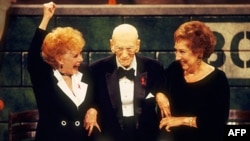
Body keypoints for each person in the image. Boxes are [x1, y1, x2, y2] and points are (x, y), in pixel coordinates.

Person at [27, 2, 100, 141]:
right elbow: (33, 57)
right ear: (60, 58)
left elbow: (96, 98)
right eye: (75, 56)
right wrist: (46, 18)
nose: (81, 59)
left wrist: (93, 110)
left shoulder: (85, 72)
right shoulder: (44, 77)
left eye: (80, 53)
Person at [156, 20, 230, 141]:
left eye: (182, 52)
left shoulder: (218, 79)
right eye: (176, 50)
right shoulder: (175, 69)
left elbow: (217, 123)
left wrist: (180, 120)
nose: (177, 56)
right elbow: (158, 85)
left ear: (199, 52)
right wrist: (160, 95)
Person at [89, 24, 165, 141]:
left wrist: (161, 94)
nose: (124, 55)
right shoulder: (96, 69)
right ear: (111, 45)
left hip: (146, 135)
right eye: (119, 48)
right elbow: (90, 99)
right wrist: (92, 109)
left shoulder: (154, 68)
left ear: (137, 45)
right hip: (110, 135)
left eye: (129, 48)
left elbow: (164, 92)